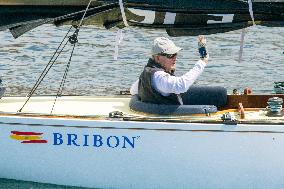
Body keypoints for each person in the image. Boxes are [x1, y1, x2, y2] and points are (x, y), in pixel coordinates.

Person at [130, 36, 209, 105]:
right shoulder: (159, 77)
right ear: (157, 58)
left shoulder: (148, 72)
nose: (175, 58)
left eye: (175, 54)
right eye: (170, 55)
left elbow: (133, 90)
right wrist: (202, 62)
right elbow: (182, 85)